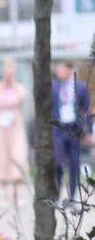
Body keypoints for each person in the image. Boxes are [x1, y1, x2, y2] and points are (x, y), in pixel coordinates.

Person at [0, 58, 29, 207]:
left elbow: (21, 103)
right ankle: (4, 193)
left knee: (17, 155)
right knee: (2, 156)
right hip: (0, 125)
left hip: (15, 125)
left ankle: (17, 192)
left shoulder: (19, 89)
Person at [52, 61, 91, 200]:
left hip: (75, 129)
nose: (58, 73)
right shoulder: (54, 86)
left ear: (69, 70)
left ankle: (73, 196)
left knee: (74, 164)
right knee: (58, 162)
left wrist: (89, 131)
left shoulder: (80, 87)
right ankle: (56, 192)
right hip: (59, 130)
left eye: (61, 70)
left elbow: (86, 109)